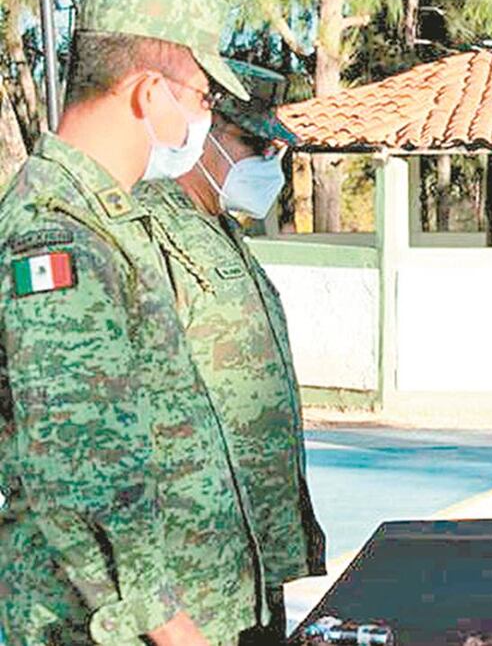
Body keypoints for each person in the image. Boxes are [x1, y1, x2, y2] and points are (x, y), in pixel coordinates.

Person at [0, 0, 269, 644]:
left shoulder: (107, 220)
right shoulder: (58, 233)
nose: (203, 121)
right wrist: (176, 633)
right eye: (204, 98)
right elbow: (82, 472)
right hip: (110, 628)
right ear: (149, 92)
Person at [134, 59, 327, 645]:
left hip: (251, 569)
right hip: (189, 586)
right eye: (253, 143)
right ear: (205, 130)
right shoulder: (146, 228)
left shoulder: (221, 229)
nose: (269, 163)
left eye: (275, 150)